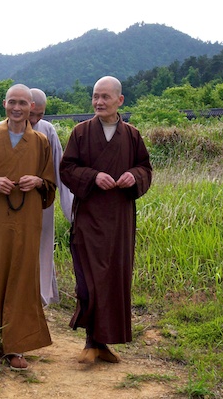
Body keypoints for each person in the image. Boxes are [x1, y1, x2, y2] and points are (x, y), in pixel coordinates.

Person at [0, 84, 57, 370]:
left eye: (23, 104)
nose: (17, 108)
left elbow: (50, 182)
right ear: (4, 104)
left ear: (32, 107)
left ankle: (14, 346)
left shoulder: (41, 141)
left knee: (21, 280)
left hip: (27, 218)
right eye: (12, 103)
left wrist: (38, 182)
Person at [60, 76, 153, 364]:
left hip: (119, 220)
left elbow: (145, 169)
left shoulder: (133, 135)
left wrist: (133, 176)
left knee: (113, 280)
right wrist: (92, 176)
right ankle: (90, 341)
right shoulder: (81, 132)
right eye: (95, 96)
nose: (99, 102)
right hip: (89, 216)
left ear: (119, 101)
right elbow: (67, 169)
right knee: (88, 280)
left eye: (105, 97)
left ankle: (103, 342)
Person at [27, 88, 73, 305]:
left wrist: (70, 209)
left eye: (40, 115)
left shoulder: (47, 130)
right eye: (31, 115)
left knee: (43, 246)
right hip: (10, 201)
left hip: (41, 199)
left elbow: (59, 169)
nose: (35, 120)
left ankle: (41, 295)